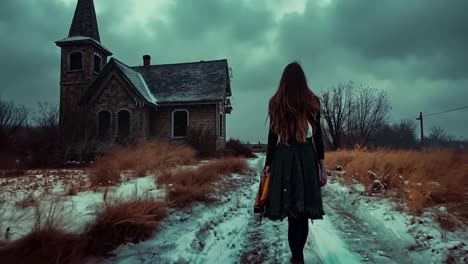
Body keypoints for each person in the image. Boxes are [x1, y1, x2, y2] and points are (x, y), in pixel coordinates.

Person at [263, 62, 327, 264]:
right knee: (303, 213)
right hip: (307, 158)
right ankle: (298, 257)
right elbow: (318, 138)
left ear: (284, 81)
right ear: (303, 80)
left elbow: (272, 138)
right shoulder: (312, 101)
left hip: (284, 158)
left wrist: (269, 164)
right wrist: (322, 167)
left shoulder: (276, 102)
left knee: (293, 213)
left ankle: (297, 257)